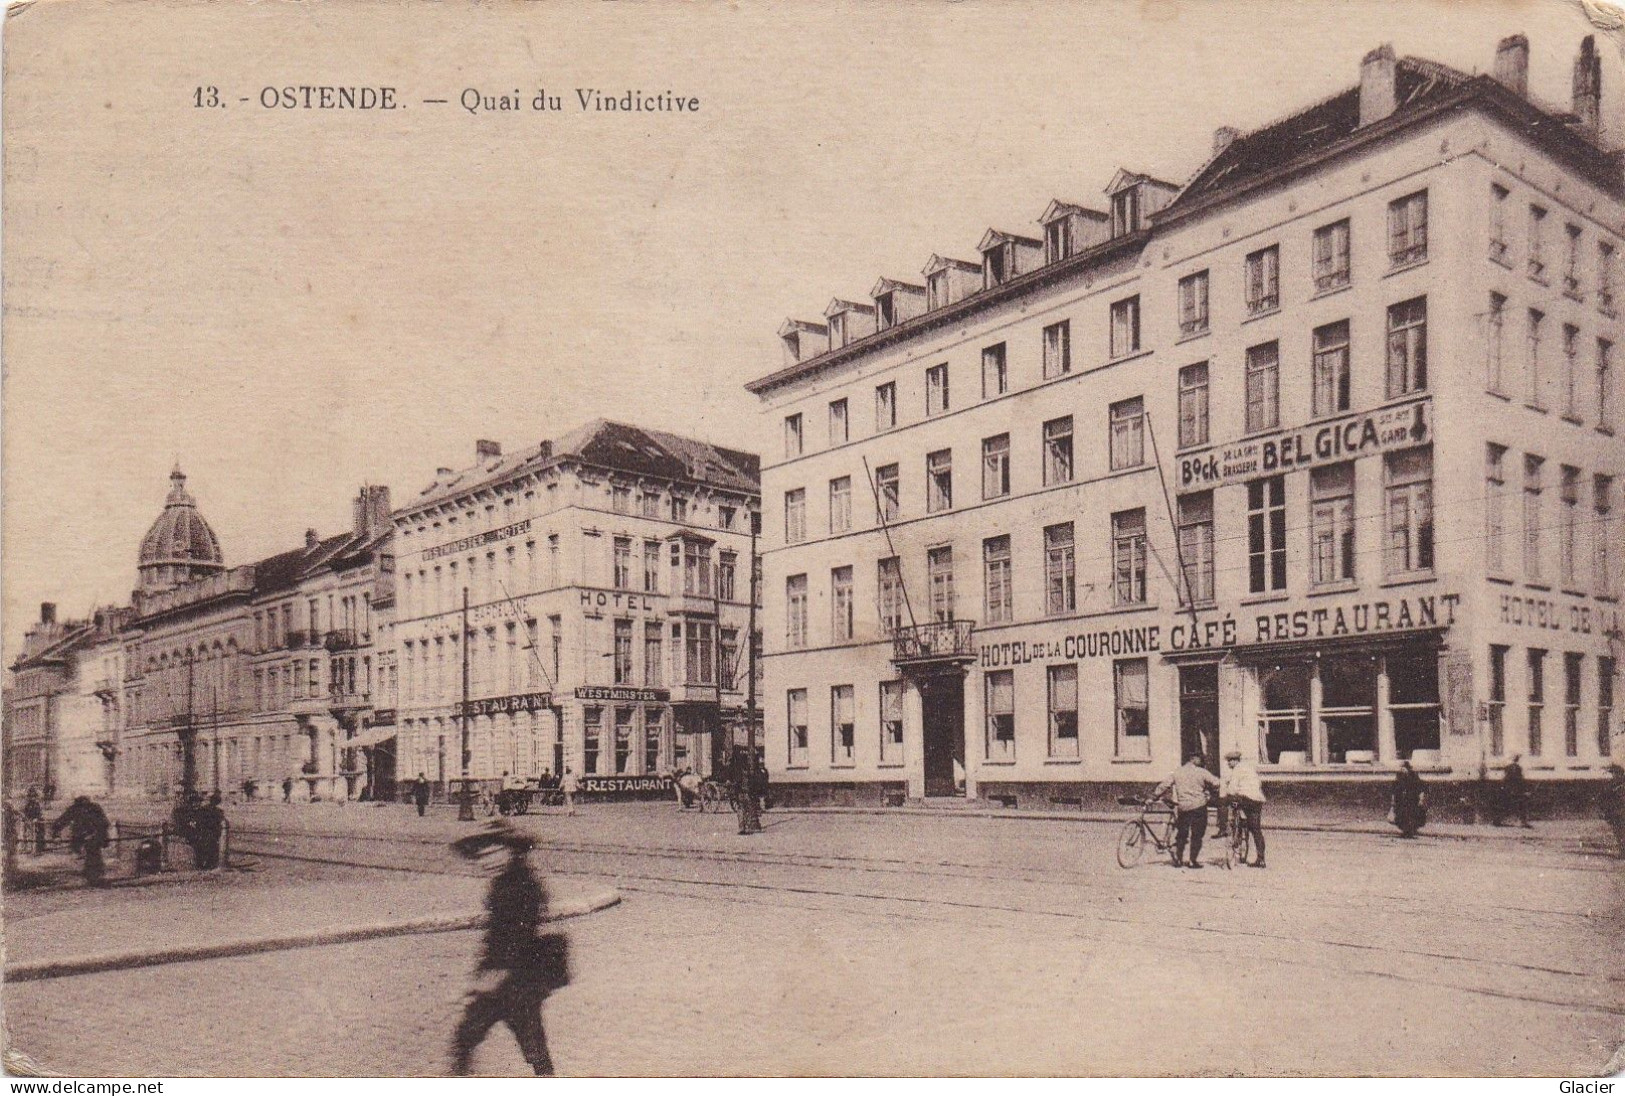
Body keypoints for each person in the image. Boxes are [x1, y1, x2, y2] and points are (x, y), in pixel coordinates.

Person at [450, 821, 569, 1076]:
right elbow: (497, 936)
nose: (486, 861)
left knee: (471, 1040)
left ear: (511, 851)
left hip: (517, 982)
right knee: (471, 1039)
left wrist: (492, 976)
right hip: (511, 981)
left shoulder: (522, 885)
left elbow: (519, 936)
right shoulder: (504, 882)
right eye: (482, 856)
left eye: (493, 853)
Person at [1154, 754, 1220, 869]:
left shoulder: (1177, 772)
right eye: (1199, 758)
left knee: (1182, 834)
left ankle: (1178, 860)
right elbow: (1216, 782)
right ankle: (1192, 861)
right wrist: (1211, 790)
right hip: (1198, 806)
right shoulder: (1202, 772)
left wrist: (1154, 796)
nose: (1201, 760)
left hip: (1183, 807)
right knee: (1197, 834)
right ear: (1194, 759)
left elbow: (1164, 785)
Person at [1220, 750, 1267, 867]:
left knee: (1223, 801)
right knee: (1256, 829)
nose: (1228, 764)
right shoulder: (1250, 768)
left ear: (1234, 761)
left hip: (1245, 799)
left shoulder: (1237, 770)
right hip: (1257, 800)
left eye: (1229, 762)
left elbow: (1232, 789)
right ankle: (1261, 859)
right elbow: (1258, 784)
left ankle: (1224, 827)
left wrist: (1226, 793)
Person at [50, 795, 110, 886]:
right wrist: (56, 832)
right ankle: (93, 875)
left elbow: (104, 823)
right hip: (82, 836)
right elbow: (63, 820)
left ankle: (94, 875)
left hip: (94, 835)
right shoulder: (77, 809)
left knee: (93, 852)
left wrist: (99, 834)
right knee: (88, 853)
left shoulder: (93, 808)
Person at [1391, 760, 1427, 838]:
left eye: (1403, 768)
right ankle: (1405, 831)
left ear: (1407, 768)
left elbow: (1420, 788)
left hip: (1412, 800)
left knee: (1412, 815)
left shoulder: (1414, 776)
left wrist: (1421, 799)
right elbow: (1395, 789)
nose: (1402, 770)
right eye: (1401, 768)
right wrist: (1393, 800)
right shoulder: (1399, 776)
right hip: (1402, 800)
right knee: (1402, 815)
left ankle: (1410, 831)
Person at [1496, 754, 1532, 828]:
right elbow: (1521, 780)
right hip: (1516, 791)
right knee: (1521, 805)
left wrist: (1503, 787)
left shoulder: (1508, 768)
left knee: (1505, 805)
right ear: (1517, 760)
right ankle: (1522, 822)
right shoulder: (1518, 768)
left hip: (1508, 790)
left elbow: (1505, 779)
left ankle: (1499, 820)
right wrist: (1524, 790)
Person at [191, 792, 226, 869]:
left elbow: (198, 821)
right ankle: (207, 864)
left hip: (206, 832)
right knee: (209, 848)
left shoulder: (205, 810)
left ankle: (203, 864)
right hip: (209, 833)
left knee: (205, 848)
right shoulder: (217, 811)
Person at [1601, 764, 1625, 859]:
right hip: (1616, 814)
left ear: (1620, 774)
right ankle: (1622, 852)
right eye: (1612, 774)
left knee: (1622, 833)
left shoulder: (1621, 785)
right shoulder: (1611, 786)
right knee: (1619, 834)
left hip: (1622, 813)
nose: (1613, 776)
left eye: (1614, 773)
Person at [22, 787, 45, 854]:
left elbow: (39, 814)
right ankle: (26, 848)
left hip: (36, 822)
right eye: (30, 796)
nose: (32, 798)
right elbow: (25, 812)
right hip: (29, 821)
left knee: (36, 834)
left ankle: (36, 849)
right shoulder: (27, 805)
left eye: (33, 796)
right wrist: (25, 818)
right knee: (25, 834)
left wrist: (36, 819)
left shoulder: (37, 805)